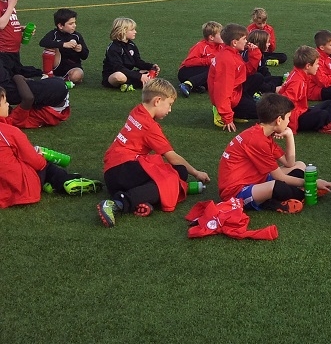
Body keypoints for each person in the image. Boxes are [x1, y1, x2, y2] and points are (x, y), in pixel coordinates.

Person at [97, 78, 211, 227]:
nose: (170, 110)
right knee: (173, 176)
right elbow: (173, 158)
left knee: (176, 172)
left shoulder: (137, 110)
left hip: (113, 174)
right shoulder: (150, 126)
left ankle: (143, 199)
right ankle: (118, 203)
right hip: (123, 172)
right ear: (157, 101)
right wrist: (196, 173)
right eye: (169, 104)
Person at [217, 93, 331, 214]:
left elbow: (289, 163)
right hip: (236, 192)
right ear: (279, 120)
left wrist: (289, 135)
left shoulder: (262, 133)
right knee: (276, 186)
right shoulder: (257, 140)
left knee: (300, 165)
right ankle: (288, 198)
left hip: (254, 179)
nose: (289, 121)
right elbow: (279, 177)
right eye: (288, 118)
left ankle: (285, 196)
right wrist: (311, 184)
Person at [0, 86, 100, 206]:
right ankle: (65, 180)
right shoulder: (11, 132)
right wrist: (41, 157)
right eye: (5, 102)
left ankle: (50, 183)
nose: (8, 104)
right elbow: (36, 162)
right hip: (17, 190)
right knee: (44, 164)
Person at [209, 23, 267, 132]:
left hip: (236, 92)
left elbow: (246, 71)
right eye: (244, 39)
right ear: (234, 42)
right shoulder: (227, 60)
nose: (246, 41)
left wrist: (254, 54)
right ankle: (224, 111)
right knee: (262, 112)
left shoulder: (232, 53)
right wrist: (227, 117)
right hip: (231, 97)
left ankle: (233, 109)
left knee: (257, 77)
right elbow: (222, 91)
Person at [276, 46, 331, 135]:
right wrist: (287, 125)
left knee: (329, 104)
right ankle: (326, 126)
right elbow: (285, 103)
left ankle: (328, 124)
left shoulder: (300, 73)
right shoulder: (298, 82)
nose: (318, 66)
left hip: (301, 110)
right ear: (308, 66)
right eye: (317, 64)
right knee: (322, 114)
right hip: (296, 119)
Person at [0, 0, 41, 79]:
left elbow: (8, 21)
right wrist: (11, 5)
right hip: (3, 51)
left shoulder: (8, 2)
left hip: (14, 50)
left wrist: (20, 28)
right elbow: (1, 25)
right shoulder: (9, 4)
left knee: (18, 73)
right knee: (8, 78)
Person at [101, 17, 158, 91]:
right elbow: (119, 68)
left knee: (146, 72)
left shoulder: (131, 45)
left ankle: (129, 84)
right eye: (132, 30)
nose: (135, 32)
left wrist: (151, 66)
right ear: (122, 31)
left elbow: (137, 61)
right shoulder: (113, 48)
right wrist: (139, 76)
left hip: (127, 72)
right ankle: (137, 82)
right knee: (119, 76)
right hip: (113, 75)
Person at [39, 8, 89, 83]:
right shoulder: (54, 34)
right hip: (56, 66)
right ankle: (48, 74)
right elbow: (43, 42)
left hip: (72, 67)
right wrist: (63, 44)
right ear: (60, 26)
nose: (74, 25)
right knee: (50, 47)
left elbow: (85, 56)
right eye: (71, 24)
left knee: (77, 75)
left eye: (74, 23)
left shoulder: (77, 36)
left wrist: (80, 50)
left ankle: (63, 80)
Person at [1, 74, 71, 128]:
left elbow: (29, 98)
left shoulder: (15, 119)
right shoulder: (59, 101)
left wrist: (18, 77)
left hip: (13, 95)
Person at [176, 21, 224, 97]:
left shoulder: (221, 46)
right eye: (221, 34)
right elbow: (188, 62)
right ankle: (188, 84)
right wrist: (210, 61)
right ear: (211, 37)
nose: (224, 36)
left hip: (201, 73)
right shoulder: (201, 46)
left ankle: (197, 87)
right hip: (186, 72)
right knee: (213, 69)